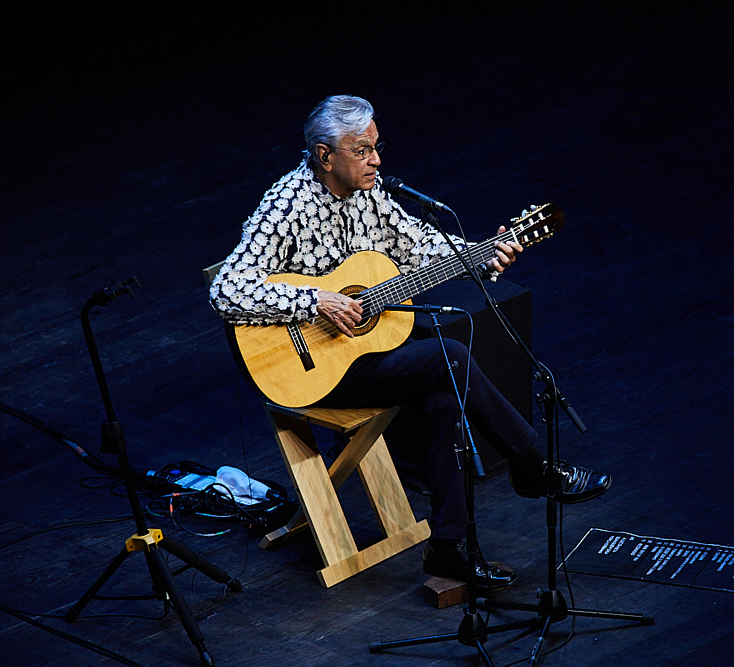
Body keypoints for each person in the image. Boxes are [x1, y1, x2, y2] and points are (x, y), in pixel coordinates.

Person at [210, 95, 610, 587]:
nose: (376, 160)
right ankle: (531, 465)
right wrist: (315, 302)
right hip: (312, 370)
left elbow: (421, 245)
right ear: (324, 155)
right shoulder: (287, 205)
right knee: (451, 357)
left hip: (361, 355)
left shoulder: (371, 193)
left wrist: (482, 255)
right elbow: (225, 288)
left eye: (376, 147)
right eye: (362, 150)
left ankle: (449, 548)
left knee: (444, 396)